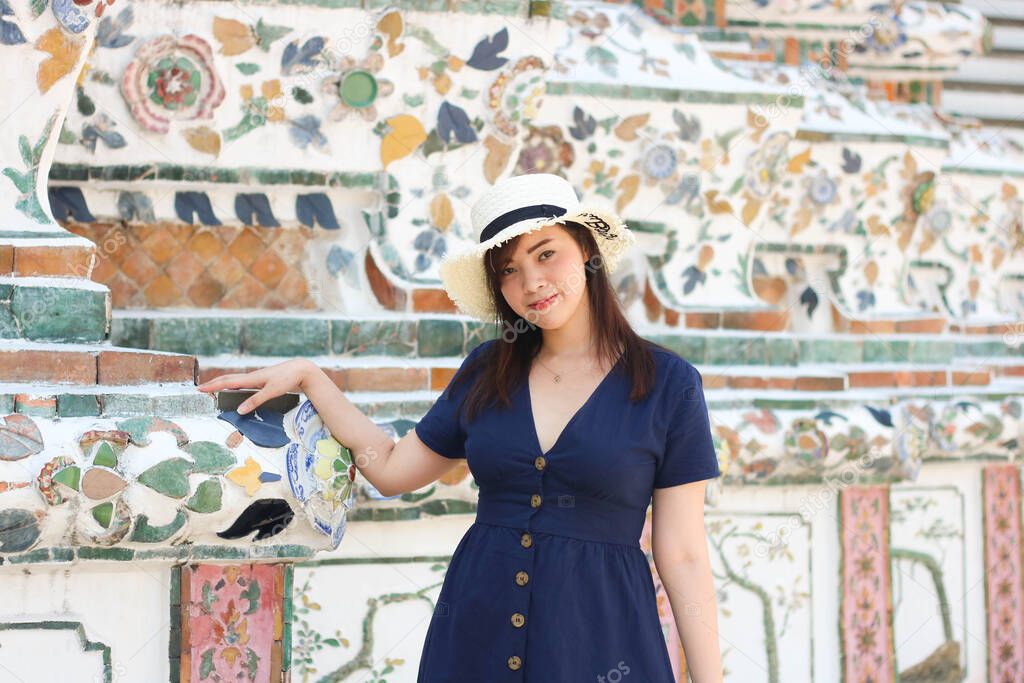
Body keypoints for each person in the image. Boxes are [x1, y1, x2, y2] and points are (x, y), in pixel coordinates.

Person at [198, 172, 724, 682]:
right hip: (477, 635)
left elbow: (682, 554)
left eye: (546, 254)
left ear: (586, 250)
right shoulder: (486, 371)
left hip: (603, 640)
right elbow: (391, 469)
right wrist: (313, 380)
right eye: (509, 270)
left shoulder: (666, 384)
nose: (531, 282)